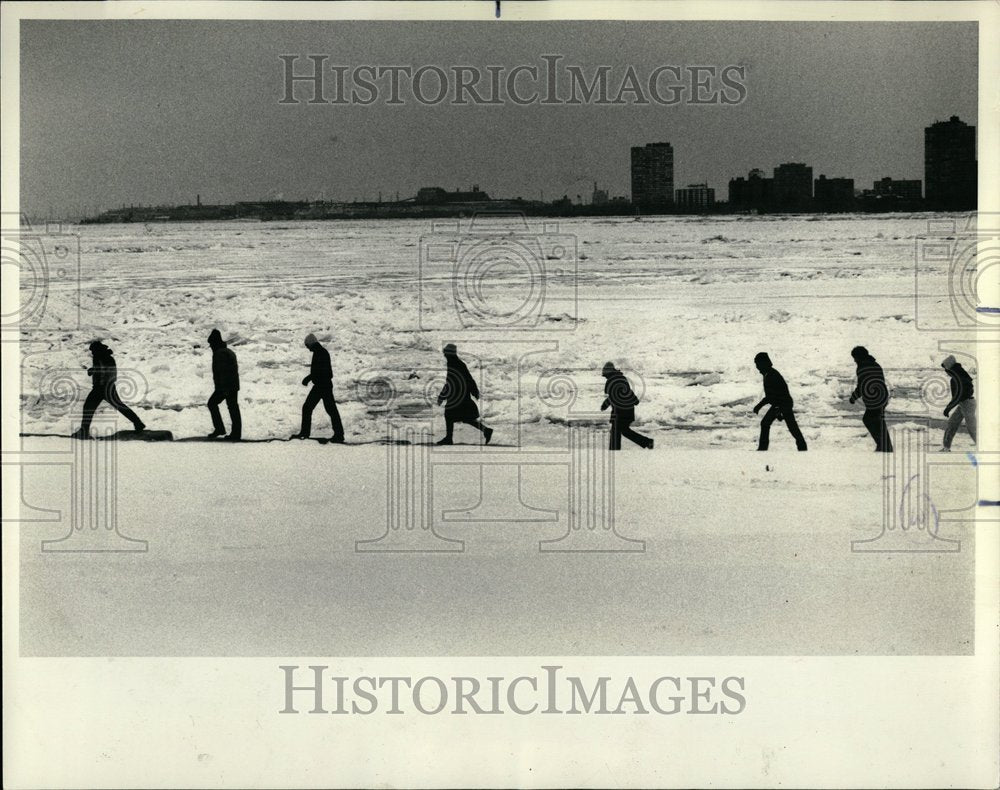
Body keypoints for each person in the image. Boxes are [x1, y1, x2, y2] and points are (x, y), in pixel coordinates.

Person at [71, 340, 146, 439]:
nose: (92, 353)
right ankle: (138, 423)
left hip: (102, 388)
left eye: (93, 351)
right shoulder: (104, 357)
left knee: (88, 408)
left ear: (97, 349)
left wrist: (94, 372)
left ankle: (84, 431)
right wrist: (93, 370)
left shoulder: (102, 357)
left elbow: (104, 371)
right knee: (119, 406)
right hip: (106, 387)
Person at [436, 343, 492, 445]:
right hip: (461, 395)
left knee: (449, 415)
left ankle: (449, 438)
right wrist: (474, 390)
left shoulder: (454, 364)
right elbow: (468, 378)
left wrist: (442, 396)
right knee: (466, 418)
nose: (444, 354)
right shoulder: (457, 363)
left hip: (457, 396)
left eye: (445, 352)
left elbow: (451, 382)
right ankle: (486, 431)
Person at [292, 333, 345, 442]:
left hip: (322, 386)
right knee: (330, 410)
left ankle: (305, 433)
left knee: (309, 408)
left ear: (311, 343)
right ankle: (339, 434)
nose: (307, 348)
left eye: (307, 345)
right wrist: (310, 377)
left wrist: (309, 378)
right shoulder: (320, 352)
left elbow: (326, 373)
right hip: (323, 386)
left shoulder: (321, 353)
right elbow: (320, 371)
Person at [752, 352, 808, 451]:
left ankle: (762, 449)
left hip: (783, 404)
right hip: (781, 403)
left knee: (786, 426)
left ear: (763, 364)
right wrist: (760, 406)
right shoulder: (769, 374)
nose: (757, 367)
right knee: (790, 426)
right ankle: (802, 447)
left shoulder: (771, 375)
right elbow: (770, 396)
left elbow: (776, 395)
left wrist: (763, 406)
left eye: (758, 364)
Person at [600, 362, 653, 451]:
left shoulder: (613, 380)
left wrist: (605, 404)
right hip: (626, 409)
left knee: (618, 431)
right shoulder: (619, 378)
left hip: (622, 411)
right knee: (621, 431)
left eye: (605, 375)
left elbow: (614, 396)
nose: (605, 377)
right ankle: (646, 442)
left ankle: (615, 450)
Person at [848, 345, 893, 452]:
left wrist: (853, 397)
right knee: (878, 421)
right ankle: (885, 446)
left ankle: (883, 445)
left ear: (859, 357)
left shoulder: (863, 367)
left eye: (855, 358)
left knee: (868, 419)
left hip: (875, 399)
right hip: (882, 397)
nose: (854, 360)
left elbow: (862, 385)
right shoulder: (875, 364)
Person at [206, 329, 242, 441]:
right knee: (233, 407)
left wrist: (224, 388)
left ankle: (222, 429)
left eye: (211, 344)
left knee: (212, 403)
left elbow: (223, 372)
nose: (211, 347)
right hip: (232, 385)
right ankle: (235, 433)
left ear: (215, 343)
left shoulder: (220, 354)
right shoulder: (227, 351)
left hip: (225, 386)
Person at [940, 354, 977, 451]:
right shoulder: (960, 374)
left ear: (949, 367)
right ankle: (946, 448)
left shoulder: (956, 377)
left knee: (973, 429)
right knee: (952, 424)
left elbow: (957, 397)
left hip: (967, 404)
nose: (946, 372)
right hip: (964, 403)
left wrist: (948, 408)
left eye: (946, 369)